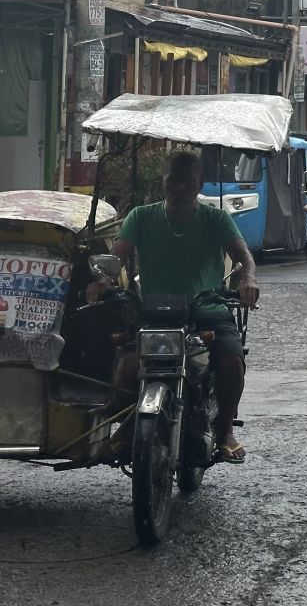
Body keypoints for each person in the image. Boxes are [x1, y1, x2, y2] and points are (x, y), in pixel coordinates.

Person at [89, 150, 259, 463]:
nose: (180, 187)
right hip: (153, 310)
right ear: (165, 181)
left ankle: (224, 431)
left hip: (206, 308)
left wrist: (247, 280)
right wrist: (103, 282)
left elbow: (244, 257)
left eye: (187, 181)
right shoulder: (141, 216)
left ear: (199, 185)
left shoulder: (216, 218)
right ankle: (126, 428)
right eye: (174, 180)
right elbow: (116, 260)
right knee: (126, 364)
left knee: (232, 363)